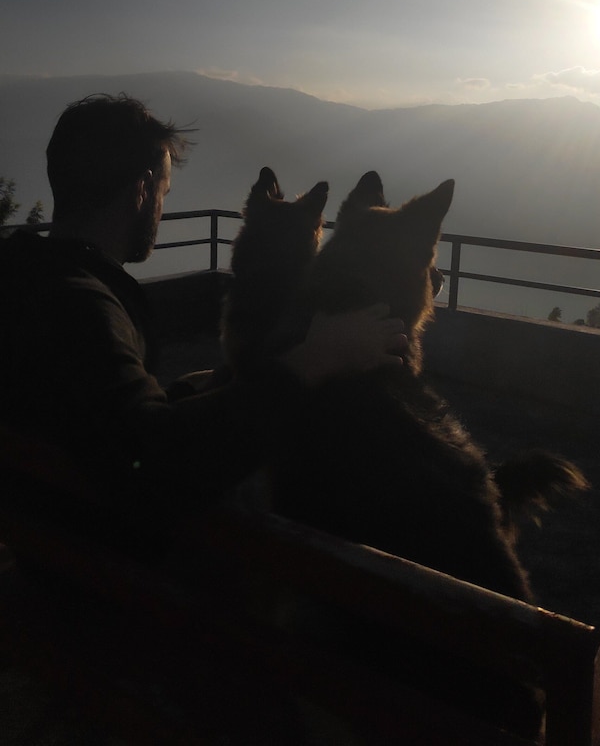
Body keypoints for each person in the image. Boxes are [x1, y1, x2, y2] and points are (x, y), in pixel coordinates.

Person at [0, 93, 407, 549]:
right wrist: (313, 361)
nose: (161, 209)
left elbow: (91, 418)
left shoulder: (22, 277)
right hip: (100, 566)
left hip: (38, 537)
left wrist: (183, 394)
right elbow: (152, 468)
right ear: (142, 190)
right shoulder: (81, 307)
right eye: (164, 194)